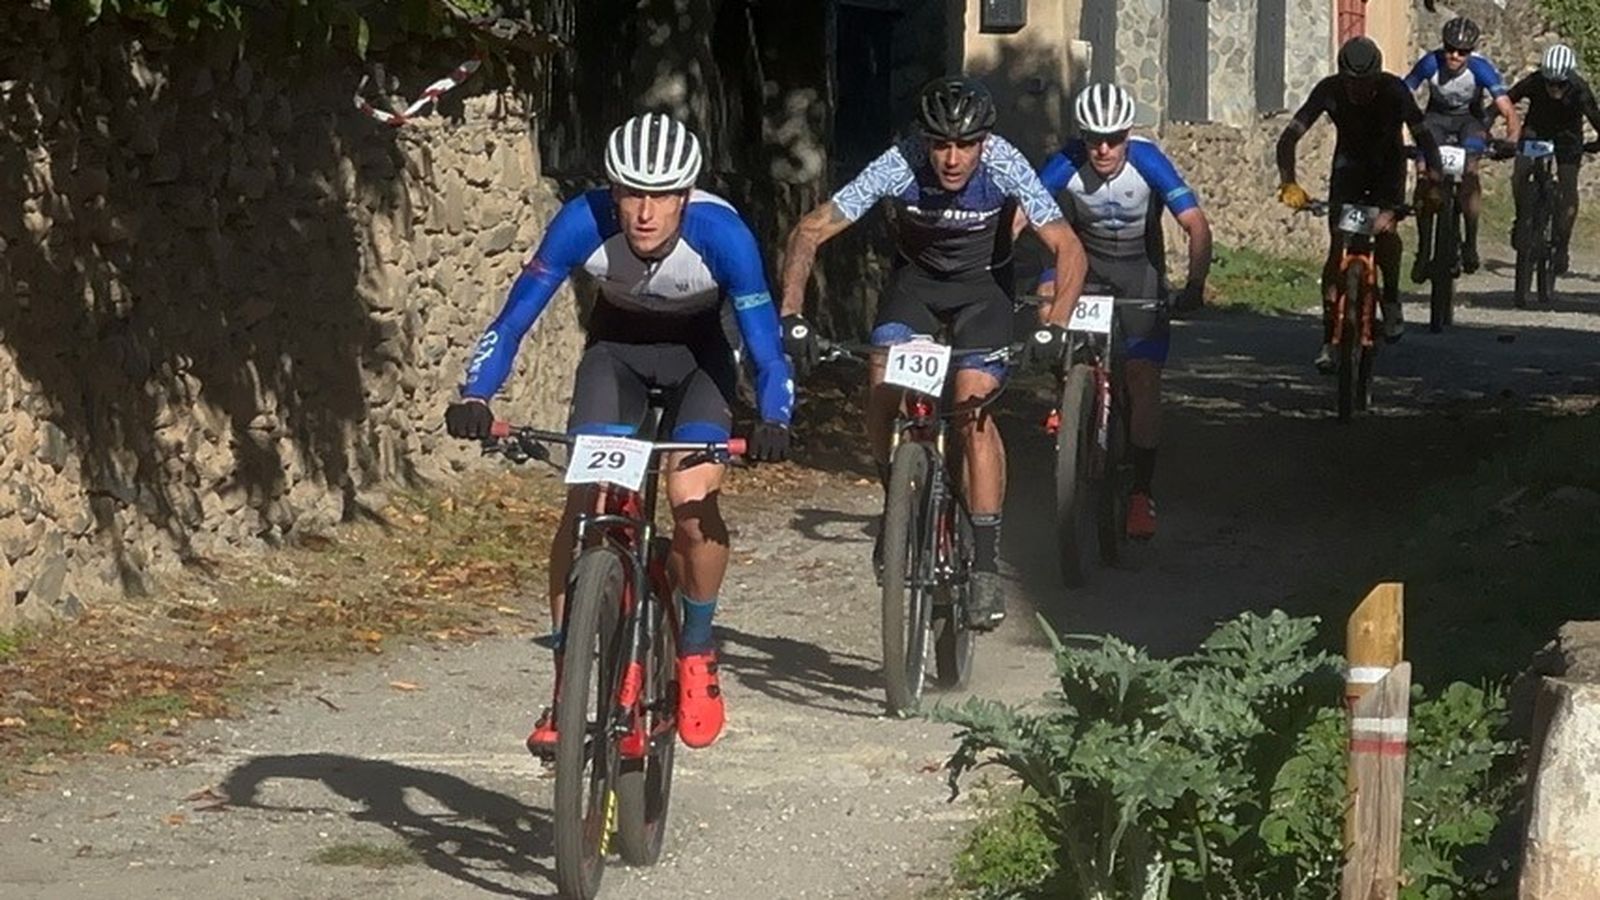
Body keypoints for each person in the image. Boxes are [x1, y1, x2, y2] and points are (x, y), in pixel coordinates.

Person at [443, 113, 794, 752]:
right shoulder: (583, 220)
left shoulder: (725, 237)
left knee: (691, 504)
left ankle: (694, 649)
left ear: (687, 195)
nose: (645, 212)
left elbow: (767, 349)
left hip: (700, 361)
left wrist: (775, 418)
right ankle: (564, 686)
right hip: (617, 354)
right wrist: (476, 394)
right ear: (613, 191)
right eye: (631, 193)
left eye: (662, 196)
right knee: (584, 505)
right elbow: (514, 318)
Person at [778, 76, 1087, 628]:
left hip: (981, 295)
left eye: (964, 145)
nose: (950, 158)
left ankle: (987, 567)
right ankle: (897, 502)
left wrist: (1056, 325)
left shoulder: (1005, 164)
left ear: (983, 143)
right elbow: (810, 230)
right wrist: (790, 315)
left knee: (972, 409)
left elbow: (1068, 247)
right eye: (940, 144)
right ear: (924, 140)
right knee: (881, 386)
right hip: (916, 289)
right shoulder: (899, 162)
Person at [1033, 83, 1212, 540]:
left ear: (1128, 134)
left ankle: (1140, 493)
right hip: (1084, 266)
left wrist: (1195, 284)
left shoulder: (1147, 161)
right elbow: (1021, 214)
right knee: (1046, 307)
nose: (1104, 148)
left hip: (1139, 274)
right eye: (1094, 138)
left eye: (1113, 138)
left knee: (1142, 377)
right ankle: (1068, 399)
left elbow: (1194, 224)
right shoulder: (1066, 163)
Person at [1277, 36, 1442, 370]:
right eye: (1352, 83)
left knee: (1385, 231)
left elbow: (1424, 137)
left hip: (1387, 169)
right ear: (1342, 76)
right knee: (1337, 246)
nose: (1359, 91)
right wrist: (1288, 180)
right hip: (1348, 169)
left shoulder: (1395, 91)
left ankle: (1392, 298)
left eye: (1366, 83)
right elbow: (1290, 136)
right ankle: (1329, 341)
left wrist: (1432, 182)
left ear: (1377, 76)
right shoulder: (1329, 90)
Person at [1403, 16, 1520, 279]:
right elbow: (1403, 92)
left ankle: (1470, 241)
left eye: (1462, 51)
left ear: (1471, 52)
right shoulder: (1430, 63)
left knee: (1470, 172)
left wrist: (1512, 139)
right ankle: (1423, 250)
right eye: (1449, 48)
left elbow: (1507, 109)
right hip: (1436, 119)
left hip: (1470, 121)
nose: (1454, 56)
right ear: (1442, 46)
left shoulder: (1480, 68)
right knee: (1424, 174)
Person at [1501, 43, 1600, 276]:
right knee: (1521, 170)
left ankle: (1562, 245)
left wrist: (1595, 144)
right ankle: (1521, 216)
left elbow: (1596, 118)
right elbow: (1506, 100)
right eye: (1550, 83)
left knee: (1567, 185)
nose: (1554, 88)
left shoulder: (1580, 89)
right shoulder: (1534, 81)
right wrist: (1486, 120)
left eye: (1560, 84)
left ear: (1569, 79)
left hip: (1567, 136)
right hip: (1537, 130)